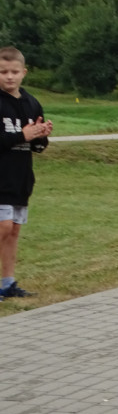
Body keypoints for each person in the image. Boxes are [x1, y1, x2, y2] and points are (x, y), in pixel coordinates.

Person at [0, 46, 52, 300]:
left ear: (24, 73)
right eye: (3, 72)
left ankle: (7, 282)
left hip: (20, 177)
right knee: (3, 227)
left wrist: (41, 137)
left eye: (14, 72)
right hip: (1, 177)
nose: (9, 77)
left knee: (13, 231)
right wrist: (22, 135)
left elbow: (37, 146)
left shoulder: (31, 103)